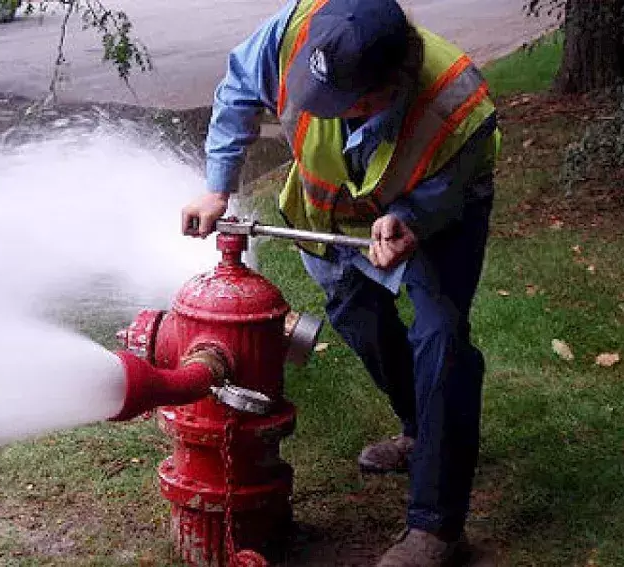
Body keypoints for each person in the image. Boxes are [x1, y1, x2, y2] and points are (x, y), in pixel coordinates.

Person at [180, 0, 499, 565]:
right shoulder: (296, 31)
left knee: (439, 335)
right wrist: (217, 185)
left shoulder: (455, 105)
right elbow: (237, 89)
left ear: (387, 91)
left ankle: (437, 529)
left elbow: (456, 180)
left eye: (338, 104)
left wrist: (413, 218)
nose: (315, 110)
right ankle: (422, 431)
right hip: (335, 218)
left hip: (439, 210)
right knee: (358, 318)